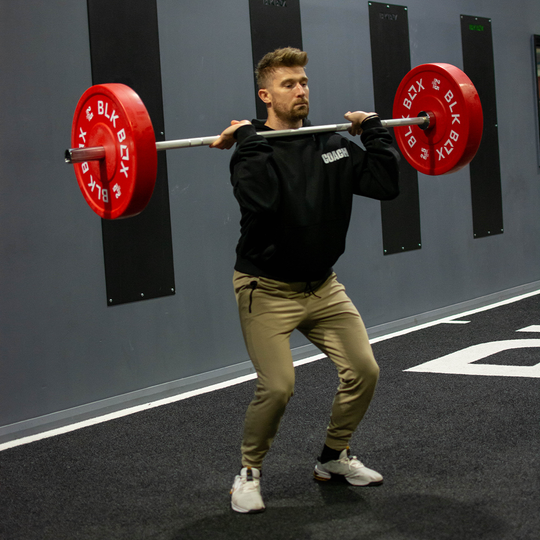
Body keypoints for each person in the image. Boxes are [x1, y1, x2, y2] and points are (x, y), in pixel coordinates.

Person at [210, 47, 400, 513]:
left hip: (322, 286)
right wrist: (251, 142)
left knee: (364, 370)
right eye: (288, 84)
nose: (300, 90)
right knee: (278, 386)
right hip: (266, 288)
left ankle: (334, 457)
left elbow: (384, 184)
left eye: (304, 82)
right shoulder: (251, 153)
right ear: (265, 96)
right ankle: (248, 472)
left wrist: (373, 132)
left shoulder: (330, 142)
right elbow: (265, 203)